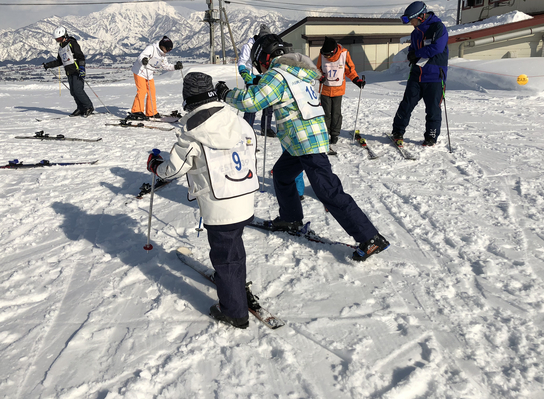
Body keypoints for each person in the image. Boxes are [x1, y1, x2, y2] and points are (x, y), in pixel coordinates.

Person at [216, 34, 390, 262]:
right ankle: (290, 218)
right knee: (282, 175)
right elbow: (269, 92)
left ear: (265, 58)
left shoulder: (277, 75)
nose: (259, 69)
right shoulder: (296, 73)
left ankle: (370, 237)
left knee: (328, 189)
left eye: (258, 63)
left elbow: (251, 101)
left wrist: (225, 94)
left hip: (306, 141)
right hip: (300, 140)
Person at [146, 72, 258, 329]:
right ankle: (237, 287)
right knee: (234, 248)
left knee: (225, 257)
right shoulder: (238, 121)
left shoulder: (193, 130)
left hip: (220, 205)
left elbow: (174, 169)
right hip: (245, 195)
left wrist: (155, 165)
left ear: (188, 98)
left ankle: (234, 311)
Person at [392, 1, 448, 147]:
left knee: (433, 109)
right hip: (417, 74)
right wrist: (411, 52)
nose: (411, 23)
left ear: (421, 16)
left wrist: (417, 53)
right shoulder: (415, 32)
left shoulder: (438, 28)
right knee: (406, 104)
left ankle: (431, 136)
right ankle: (397, 131)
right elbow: (413, 47)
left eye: (412, 20)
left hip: (435, 76)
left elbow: (437, 48)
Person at [316, 36, 366, 145]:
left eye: (328, 55)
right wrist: (319, 76)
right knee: (325, 113)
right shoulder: (322, 54)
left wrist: (357, 80)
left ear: (334, 51)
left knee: (336, 113)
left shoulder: (344, 54)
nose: (326, 57)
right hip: (325, 89)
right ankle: (325, 133)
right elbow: (318, 69)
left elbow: (349, 70)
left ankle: (334, 134)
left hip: (338, 89)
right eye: (325, 55)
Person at [43, 26, 94, 117]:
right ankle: (80, 108)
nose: (58, 41)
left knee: (78, 90)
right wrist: (48, 65)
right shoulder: (61, 48)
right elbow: (60, 61)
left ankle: (88, 107)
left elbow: (80, 56)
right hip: (69, 72)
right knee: (73, 92)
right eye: (57, 39)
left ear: (64, 36)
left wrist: (82, 68)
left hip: (77, 71)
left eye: (59, 39)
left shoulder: (72, 43)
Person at [130, 36, 183, 120]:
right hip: (140, 71)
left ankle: (151, 112)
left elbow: (166, 66)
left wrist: (175, 67)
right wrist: (143, 60)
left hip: (149, 74)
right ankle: (136, 111)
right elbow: (142, 56)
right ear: (162, 46)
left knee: (151, 92)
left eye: (170, 50)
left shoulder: (163, 55)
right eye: (168, 49)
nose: (168, 51)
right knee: (142, 91)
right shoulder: (152, 48)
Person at [238, 25, 276, 137]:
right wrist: (244, 73)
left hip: (265, 77)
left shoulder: (269, 46)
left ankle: (266, 127)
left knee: (268, 104)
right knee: (251, 104)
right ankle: (247, 129)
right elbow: (242, 62)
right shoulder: (249, 46)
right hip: (252, 78)